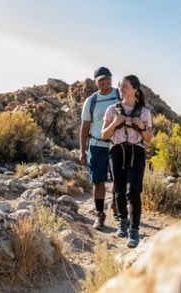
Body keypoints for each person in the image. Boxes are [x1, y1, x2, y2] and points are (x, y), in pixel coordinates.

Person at [101, 74, 153, 247]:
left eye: (124, 86)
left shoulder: (144, 113)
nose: (121, 89)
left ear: (135, 90)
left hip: (136, 152)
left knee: (133, 191)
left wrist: (142, 126)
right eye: (120, 86)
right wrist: (115, 123)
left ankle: (134, 230)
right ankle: (123, 220)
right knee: (120, 190)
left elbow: (149, 138)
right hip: (117, 151)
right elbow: (104, 134)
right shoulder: (112, 110)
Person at [80, 66, 120, 230]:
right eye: (102, 79)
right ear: (96, 82)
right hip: (97, 146)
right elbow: (85, 127)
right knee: (98, 181)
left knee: (119, 179)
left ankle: (116, 206)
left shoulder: (120, 95)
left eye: (108, 78)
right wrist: (82, 150)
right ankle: (100, 214)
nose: (106, 82)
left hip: (118, 145)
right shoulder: (91, 101)